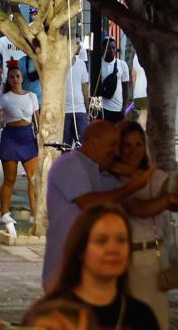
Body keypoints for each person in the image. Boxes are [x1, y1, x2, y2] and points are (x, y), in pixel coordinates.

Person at [0, 204, 166, 330]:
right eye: (101, 241)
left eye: (121, 240)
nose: (113, 249)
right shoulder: (49, 314)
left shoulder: (142, 315)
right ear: (80, 249)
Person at [43, 119, 145, 288]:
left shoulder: (100, 173)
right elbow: (89, 203)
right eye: (112, 145)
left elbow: (131, 205)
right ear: (92, 143)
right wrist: (130, 187)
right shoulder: (70, 163)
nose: (116, 151)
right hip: (65, 269)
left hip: (90, 269)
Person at [114, 121, 178, 330]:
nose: (133, 150)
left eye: (138, 144)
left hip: (151, 258)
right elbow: (138, 209)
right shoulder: (113, 179)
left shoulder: (156, 177)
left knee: (155, 322)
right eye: (127, 145)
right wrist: (165, 199)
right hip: (122, 259)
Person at [0, 63, 42, 236]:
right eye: (12, 76)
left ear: (22, 79)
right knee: (10, 178)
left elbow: (38, 119)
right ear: (8, 79)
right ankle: (4, 213)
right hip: (10, 137)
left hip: (28, 137)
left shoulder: (32, 96)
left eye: (17, 76)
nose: (15, 79)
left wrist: (43, 138)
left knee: (33, 178)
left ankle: (34, 216)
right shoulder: (4, 98)